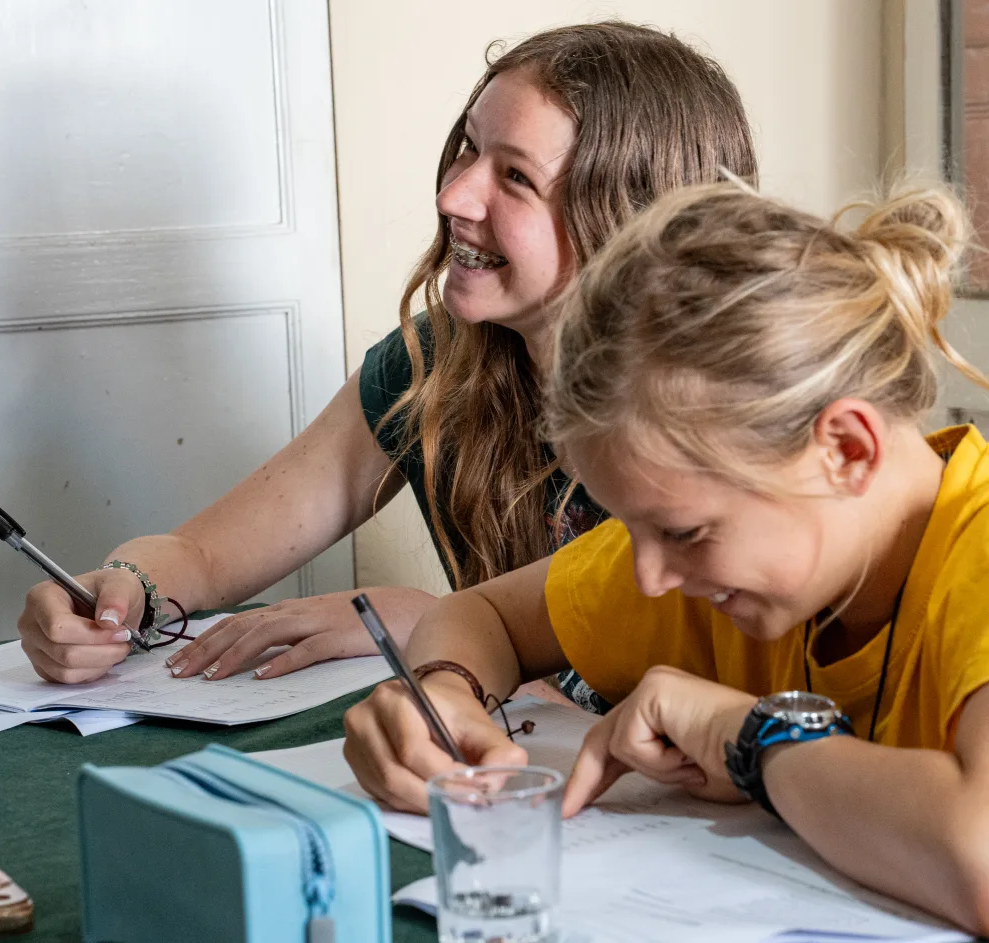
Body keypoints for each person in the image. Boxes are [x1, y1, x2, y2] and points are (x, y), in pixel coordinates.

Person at [16, 22, 757, 688]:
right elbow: (203, 557)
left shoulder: (741, 413)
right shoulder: (433, 361)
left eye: (516, 177)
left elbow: (710, 687)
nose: (455, 195)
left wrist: (428, 619)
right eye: (470, 147)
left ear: (630, 220)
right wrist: (122, 588)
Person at [342, 181, 989, 933]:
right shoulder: (707, 550)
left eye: (681, 533)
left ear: (845, 450)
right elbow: (482, 613)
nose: (650, 576)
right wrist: (443, 696)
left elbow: (978, 859)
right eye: (635, 528)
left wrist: (753, 738)